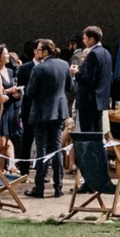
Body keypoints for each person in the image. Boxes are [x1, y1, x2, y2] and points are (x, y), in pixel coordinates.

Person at [22, 38, 70, 197]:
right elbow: (70, 87)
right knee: (56, 148)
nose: (36, 52)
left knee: (42, 148)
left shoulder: (39, 68)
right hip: (58, 111)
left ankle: (40, 186)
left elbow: (30, 92)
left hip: (42, 112)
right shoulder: (64, 65)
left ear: (45, 52)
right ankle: (58, 186)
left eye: (39, 49)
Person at [73, 25, 114, 134]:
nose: (83, 41)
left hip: (88, 101)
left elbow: (88, 79)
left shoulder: (93, 54)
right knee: (97, 133)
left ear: (92, 39)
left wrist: (76, 73)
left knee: (88, 135)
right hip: (100, 100)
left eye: (85, 38)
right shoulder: (107, 53)